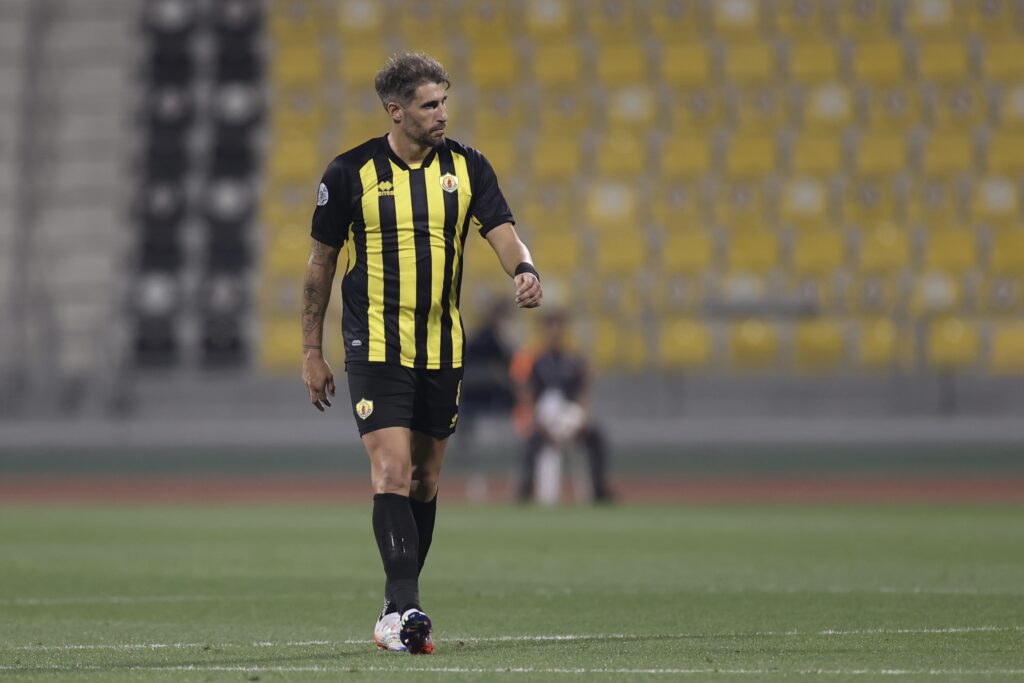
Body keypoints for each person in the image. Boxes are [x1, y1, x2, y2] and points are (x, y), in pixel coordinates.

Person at [299, 53, 542, 655]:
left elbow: (503, 231)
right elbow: (320, 265)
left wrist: (524, 269)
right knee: (392, 471)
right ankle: (408, 609)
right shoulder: (349, 172)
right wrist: (311, 349)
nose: (442, 114)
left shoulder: (468, 166)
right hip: (375, 345)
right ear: (396, 110)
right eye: (430, 105)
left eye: (444, 103)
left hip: (441, 345)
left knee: (426, 481)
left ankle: (393, 608)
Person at [514, 310, 612, 504]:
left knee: (596, 437)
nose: (555, 333)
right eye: (550, 328)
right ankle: (526, 490)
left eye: (558, 328)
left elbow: (582, 394)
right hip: (546, 421)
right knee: (532, 442)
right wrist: (538, 421)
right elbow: (530, 395)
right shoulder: (538, 362)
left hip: (570, 417)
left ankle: (599, 489)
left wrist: (583, 419)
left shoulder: (574, 362)